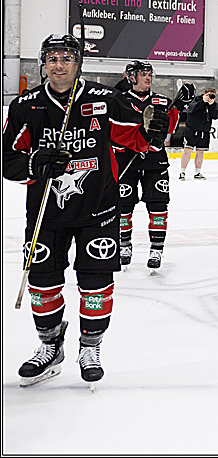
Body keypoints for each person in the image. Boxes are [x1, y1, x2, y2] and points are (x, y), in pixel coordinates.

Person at [3, 34, 170, 387]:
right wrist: (36, 163)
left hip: (98, 210)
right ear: (43, 63)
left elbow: (137, 139)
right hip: (47, 212)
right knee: (42, 283)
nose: (59, 64)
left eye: (66, 58)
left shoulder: (104, 98)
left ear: (78, 63)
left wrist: (156, 130)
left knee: (95, 283)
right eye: (52, 58)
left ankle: (90, 346)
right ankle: (50, 346)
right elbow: (8, 159)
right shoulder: (26, 104)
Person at [114, 60, 181, 270]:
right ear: (131, 77)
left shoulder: (162, 101)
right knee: (124, 208)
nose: (148, 77)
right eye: (143, 73)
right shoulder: (119, 101)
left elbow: (171, 128)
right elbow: (116, 132)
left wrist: (181, 105)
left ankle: (156, 249)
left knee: (158, 206)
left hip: (155, 162)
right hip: (127, 161)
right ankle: (124, 245)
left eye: (150, 73)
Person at [179, 87, 218, 180]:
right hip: (191, 130)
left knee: (200, 152)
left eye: (213, 95)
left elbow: (216, 116)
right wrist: (202, 101)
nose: (210, 97)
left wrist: (211, 105)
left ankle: (197, 172)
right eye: (209, 95)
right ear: (204, 94)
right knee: (187, 151)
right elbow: (191, 109)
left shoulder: (213, 104)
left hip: (204, 132)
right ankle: (182, 172)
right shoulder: (195, 100)